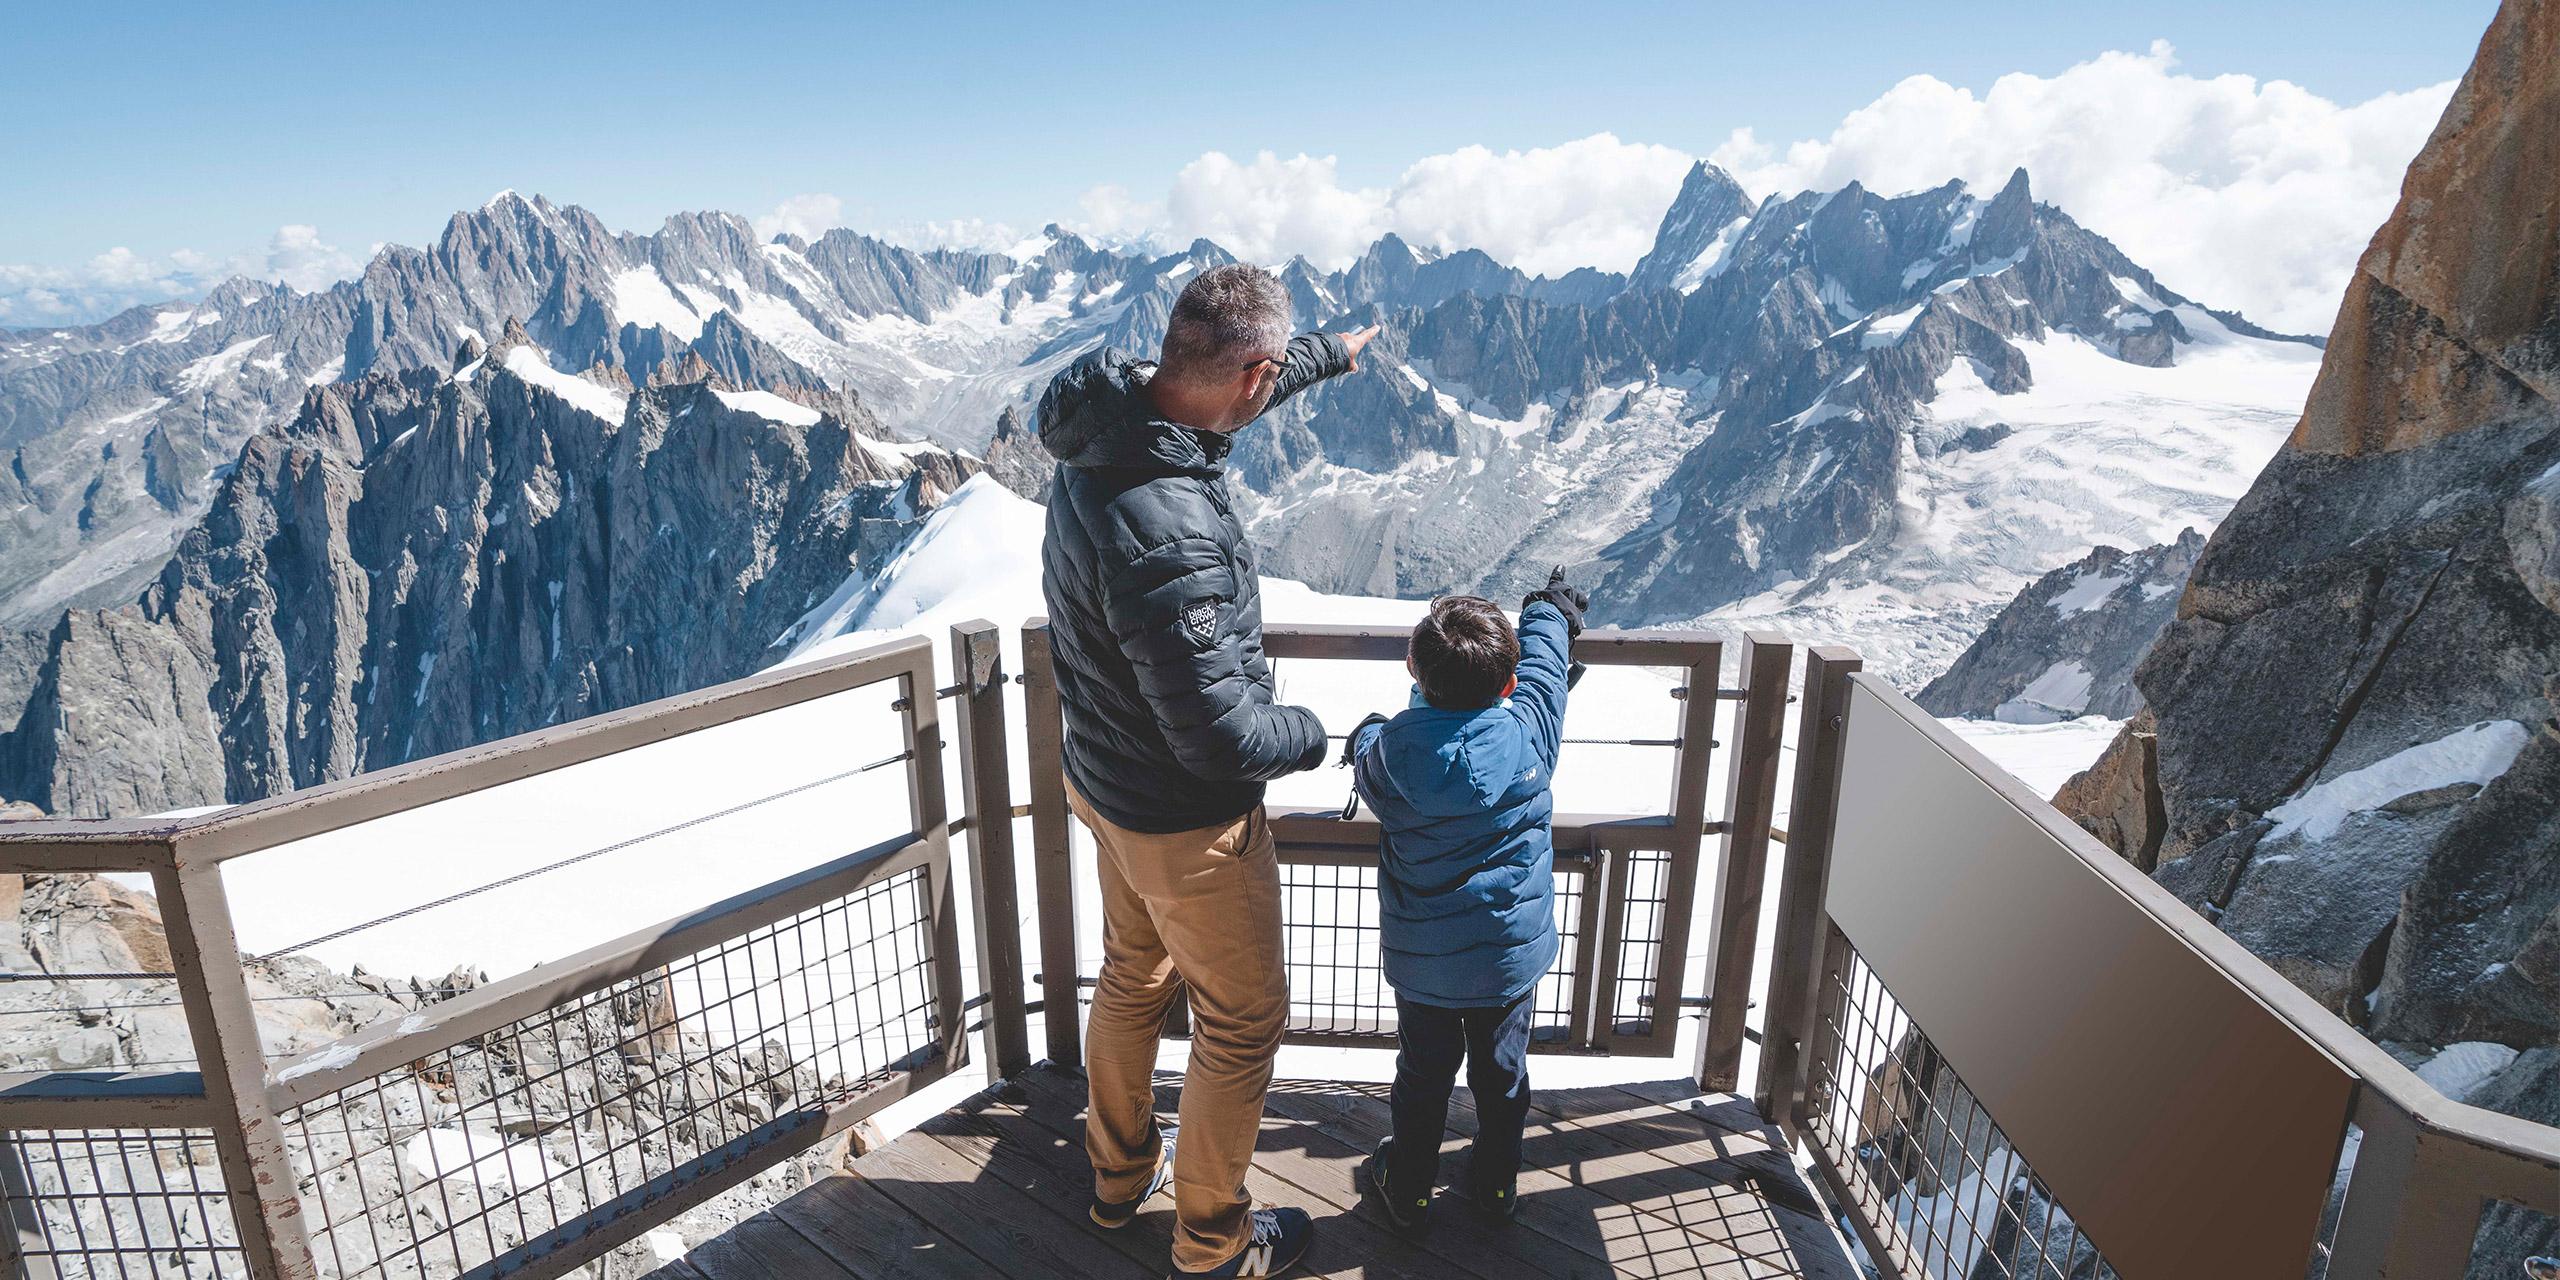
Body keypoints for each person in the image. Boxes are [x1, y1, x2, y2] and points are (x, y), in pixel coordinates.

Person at [1036, 262, 1378, 1278]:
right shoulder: (1167, 531)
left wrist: (1328, 357)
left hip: (1100, 782)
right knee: (1239, 1023)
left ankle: (1115, 1177)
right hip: (1185, 821)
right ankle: (1214, 1242)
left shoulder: (1111, 415)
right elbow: (1222, 739)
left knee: (1131, 977)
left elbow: (1222, 392)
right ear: (1250, 374)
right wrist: (1318, 731)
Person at [1343, 570, 1588, 1231]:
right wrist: (1549, 611)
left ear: (1414, 673)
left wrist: (1367, 729)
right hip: (1508, 960)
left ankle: (1411, 1186)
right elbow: (1541, 670)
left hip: (1425, 963)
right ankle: (1497, 1183)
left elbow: (1370, 749)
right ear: (1505, 687)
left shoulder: (1391, 753)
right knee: (1502, 1071)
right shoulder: (1530, 733)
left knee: (1423, 1075)